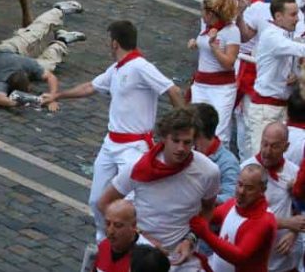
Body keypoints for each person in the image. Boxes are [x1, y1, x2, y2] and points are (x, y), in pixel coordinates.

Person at [43, 20, 185, 241]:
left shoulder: (140, 66)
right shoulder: (117, 69)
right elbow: (91, 86)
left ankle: (136, 245)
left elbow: (173, 90)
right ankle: (105, 241)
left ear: (114, 43)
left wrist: (184, 125)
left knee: (132, 202)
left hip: (133, 147)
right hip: (111, 145)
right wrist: (58, 95)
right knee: (95, 200)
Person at [99, 108, 220, 271]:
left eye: (187, 142)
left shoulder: (208, 171)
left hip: (180, 259)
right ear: (163, 138)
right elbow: (104, 202)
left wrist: (190, 240)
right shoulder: (139, 167)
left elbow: (207, 209)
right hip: (140, 256)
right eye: (175, 141)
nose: (181, 148)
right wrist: (140, 237)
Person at [0, 1, 86, 109]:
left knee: (35, 33)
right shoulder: (2, 78)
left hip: (10, 48)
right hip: (10, 59)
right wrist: (22, 102)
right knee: (48, 65)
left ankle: (59, 10)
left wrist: (52, 96)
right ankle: (63, 40)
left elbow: (51, 78)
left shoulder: (26, 64)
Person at [245, 0, 305, 158]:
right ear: (278, 16)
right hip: (266, 109)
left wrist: (294, 75)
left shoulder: (283, 34)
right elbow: (299, 49)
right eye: (292, 15)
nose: (297, 19)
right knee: (262, 158)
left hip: (279, 107)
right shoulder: (272, 36)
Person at [240, 123, 305, 271]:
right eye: (265, 144)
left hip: (287, 260)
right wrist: (288, 223)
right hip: (255, 258)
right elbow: (243, 217)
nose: (267, 151)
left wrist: (294, 232)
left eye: (274, 146)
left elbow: (300, 211)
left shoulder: (295, 173)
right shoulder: (246, 172)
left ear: (286, 147)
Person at [189, 164, 277, 272]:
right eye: (240, 184)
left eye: (249, 188)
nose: (241, 192)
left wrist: (205, 234)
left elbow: (239, 256)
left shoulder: (264, 220)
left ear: (262, 190)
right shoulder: (232, 204)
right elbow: (205, 216)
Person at [188, 0, 240, 142]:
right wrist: (196, 43)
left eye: (202, 11)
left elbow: (229, 63)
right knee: (195, 126)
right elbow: (205, 48)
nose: (201, 14)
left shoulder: (231, 31)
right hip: (200, 86)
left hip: (221, 89)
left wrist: (214, 47)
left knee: (219, 132)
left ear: (210, 14)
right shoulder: (207, 29)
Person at [192, 103, 238, 205]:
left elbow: (231, 196)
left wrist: (197, 198)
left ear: (197, 132)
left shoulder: (228, 162)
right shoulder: (187, 151)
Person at [94, 200, 150, 272]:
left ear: (133, 225)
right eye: (107, 224)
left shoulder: (147, 259)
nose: (110, 231)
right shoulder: (103, 246)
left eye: (118, 225)